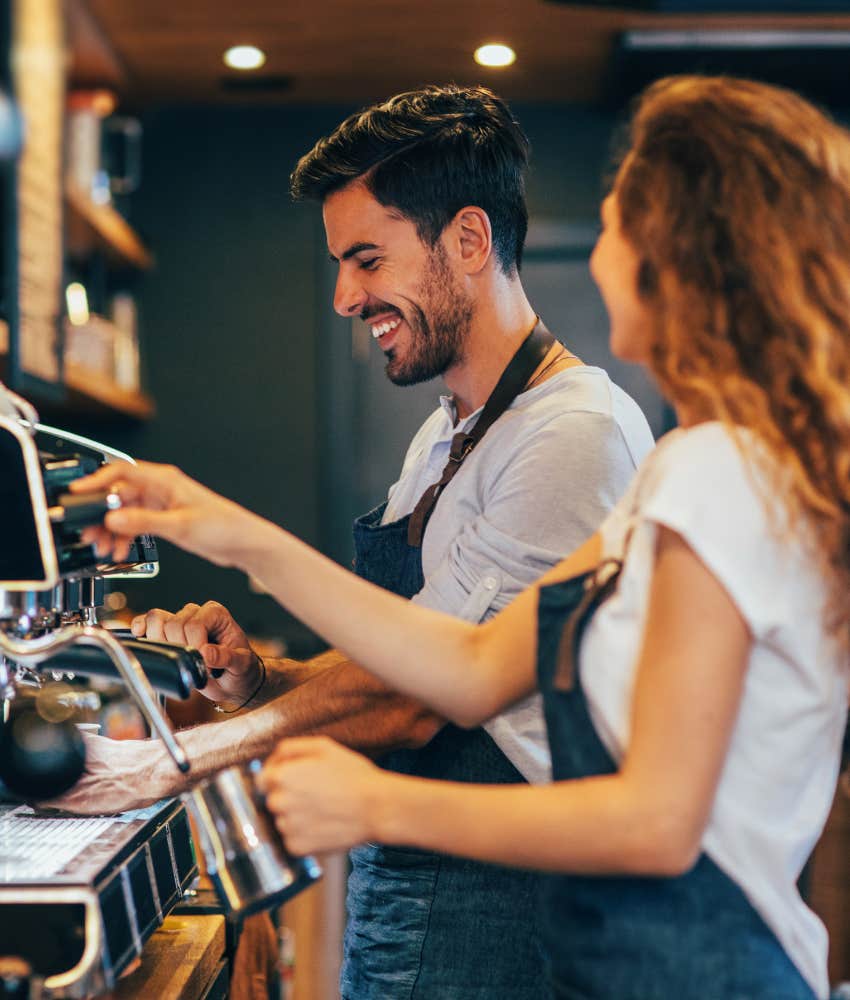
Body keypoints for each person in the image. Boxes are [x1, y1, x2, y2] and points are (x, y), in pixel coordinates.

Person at [73, 74, 850, 1000]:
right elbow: (472, 665)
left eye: (618, 223)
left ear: (682, 257)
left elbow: (659, 823)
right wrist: (219, 530)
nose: (598, 253)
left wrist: (375, 800)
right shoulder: (692, 466)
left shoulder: (708, 470)